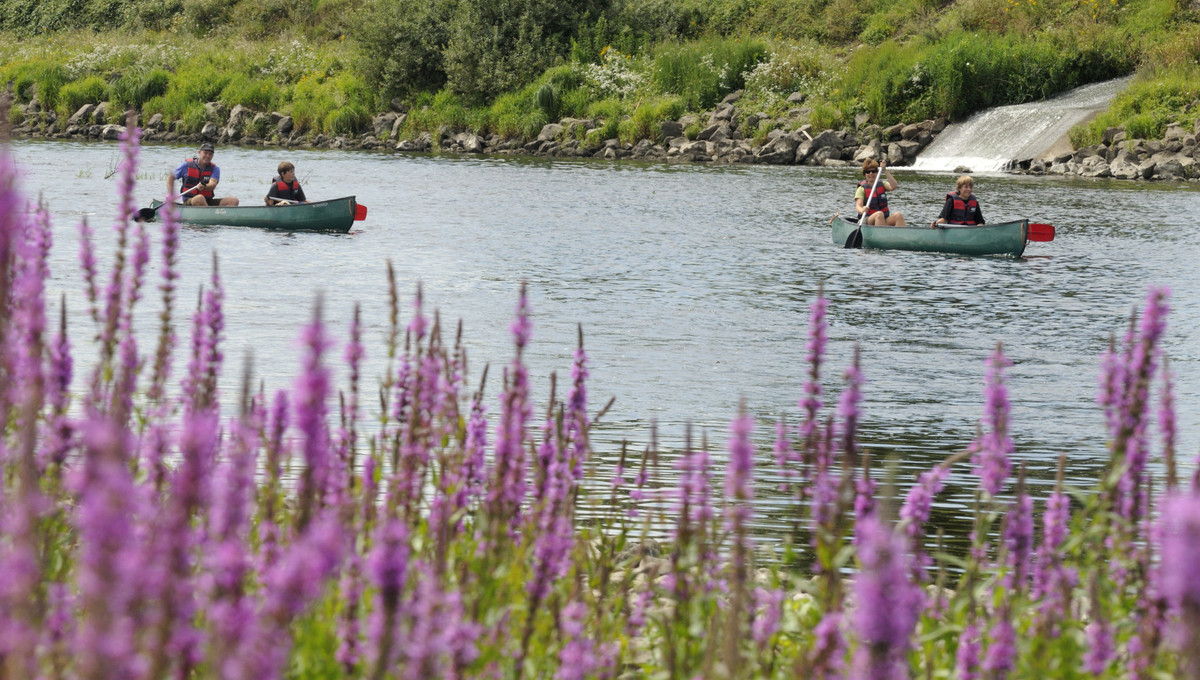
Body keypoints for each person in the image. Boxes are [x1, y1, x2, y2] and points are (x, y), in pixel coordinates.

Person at [167, 142, 239, 207]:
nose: (208, 156)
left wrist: (204, 187)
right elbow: (170, 178)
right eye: (205, 153)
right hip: (190, 200)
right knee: (199, 198)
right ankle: (210, 217)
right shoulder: (186, 165)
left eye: (210, 154)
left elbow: (212, 184)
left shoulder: (215, 169)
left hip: (208, 201)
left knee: (234, 200)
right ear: (199, 152)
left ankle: (222, 218)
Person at [855, 159, 905, 226]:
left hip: (882, 219)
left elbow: (894, 186)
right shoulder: (861, 188)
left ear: (877, 172)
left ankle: (900, 236)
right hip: (867, 220)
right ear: (864, 174)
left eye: (873, 171)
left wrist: (884, 170)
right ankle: (880, 236)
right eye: (868, 172)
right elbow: (858, 206)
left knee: (898, 215)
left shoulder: (882, 184)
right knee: (879, 214)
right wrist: (862, 210)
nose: (871, 173)